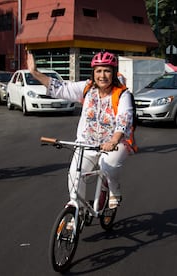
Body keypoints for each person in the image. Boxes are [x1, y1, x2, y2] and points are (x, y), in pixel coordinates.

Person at [27, 51, 134, 208]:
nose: (102, 75)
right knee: (74, 175)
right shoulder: (87, 88)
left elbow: (124, 119)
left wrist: (113, 140)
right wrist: (34, 73)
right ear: (93, 72)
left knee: (108, 166)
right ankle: (77, 209)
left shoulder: (122, 94)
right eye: (98, 70)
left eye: (107, 70)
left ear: (113, 73)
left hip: (114, 144)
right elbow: (61, 88)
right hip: (87, 143)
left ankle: (114, 190)